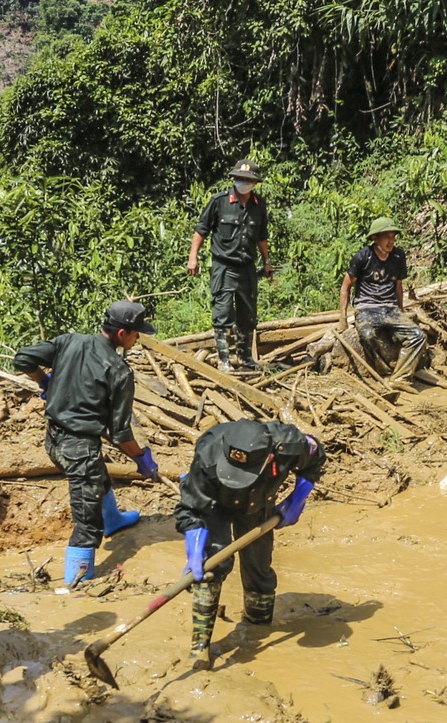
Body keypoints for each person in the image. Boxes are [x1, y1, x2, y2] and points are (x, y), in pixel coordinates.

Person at [12, 300, 162, 587]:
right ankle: (76, 584)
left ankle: (114, 520)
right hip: (79, 448)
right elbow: (120, 435)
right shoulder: (119, 371)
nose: (138, 338)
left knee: (96, 475)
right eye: (136, 333)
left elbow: (22, 359)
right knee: (86, 526)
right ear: (122, 334)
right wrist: (142, 459)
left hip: (54, 440)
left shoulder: (70, 341)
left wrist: (44, 382)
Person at [174, 419, 325, 670]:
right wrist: (194, 548)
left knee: (259, 565)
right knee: (211, 567)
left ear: (268, 458)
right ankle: (200, 646)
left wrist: (297, 498)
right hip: (215, 505)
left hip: (258, 503)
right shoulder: (208, 452)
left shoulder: (289, 444)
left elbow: (315, 458)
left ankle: (257, 627)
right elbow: (191, 509)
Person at [187, 160, 272, 373]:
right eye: (240, 178)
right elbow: (201, 230)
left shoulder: (258, 204)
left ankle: (245, 358)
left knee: (248, 314)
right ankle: (224, 360)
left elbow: (261, 236)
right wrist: (193, 257)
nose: (244, 182)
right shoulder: (220, 201)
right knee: (222, 312)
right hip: (223, 266)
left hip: (247, 267)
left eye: (248, 179)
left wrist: (267, 261)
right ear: (234, 179)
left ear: (254, 182)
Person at [339, 218, 428, 388]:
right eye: (386, 237)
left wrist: (401, 311)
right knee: (367, 335)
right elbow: (346, 286)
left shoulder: (398, 256)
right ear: (375, 238)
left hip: (390, 308)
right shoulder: (362, 257)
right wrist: (342, 318)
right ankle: (384, 372)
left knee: (418, 336)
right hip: (367, 308)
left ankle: (400, 378)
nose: (391, 241)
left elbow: (398, 286)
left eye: (393, 237)